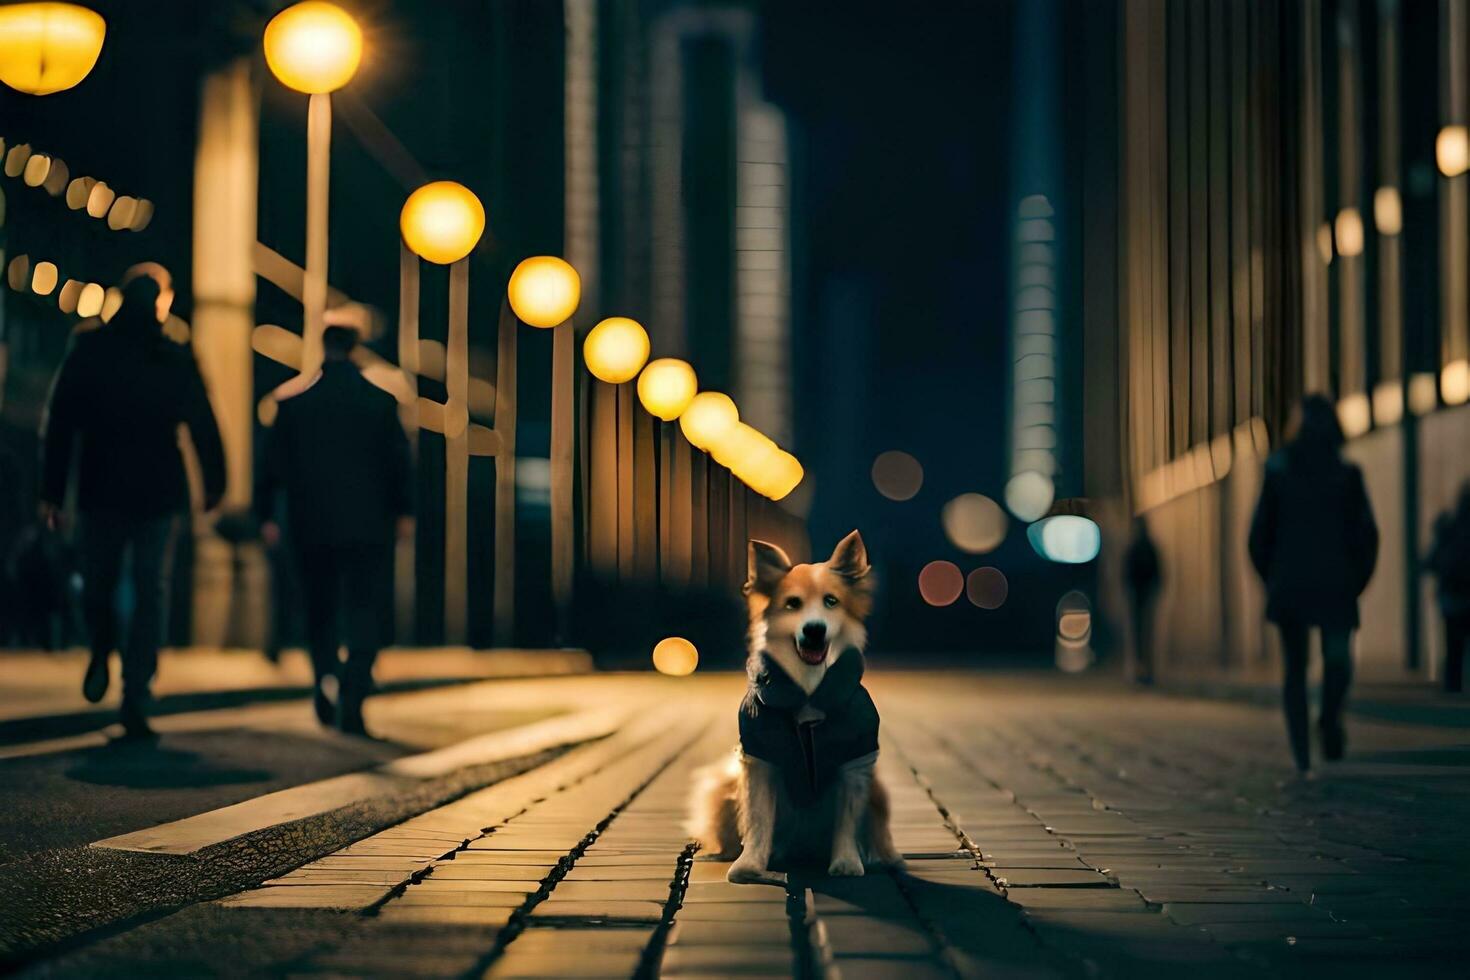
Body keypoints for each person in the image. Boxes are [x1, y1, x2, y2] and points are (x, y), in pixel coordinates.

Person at [40, 264, 225, 738]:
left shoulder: (90, 348)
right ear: (161, 301)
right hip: (159, 493)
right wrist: (215, 484)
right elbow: (203, 423)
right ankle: (136, 693)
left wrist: (53, 492)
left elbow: (60, 422)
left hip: (101, 487)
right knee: (151, 592)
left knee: (97, 583)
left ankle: (102, 647)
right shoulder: (175, 355)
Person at [255, 326, 412, 735]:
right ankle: (354, 692)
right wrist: (403, 513)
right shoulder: (379, 403)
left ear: (323, 347)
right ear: (355, 349)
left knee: (319, 609)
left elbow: (271, 467)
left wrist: (266, 515)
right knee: (364, 609)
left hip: (311, 524)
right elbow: (400, 465)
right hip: (367, 526)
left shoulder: (294, 404)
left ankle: (325, 676)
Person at [1248, 394, 1378, 772]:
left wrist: (1272, 577)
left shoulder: (1280, 472)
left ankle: (1304, 751)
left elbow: (1259, 538)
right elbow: (1366, 537)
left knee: (1296, 670)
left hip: (1293, 586)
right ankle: (1327, 723)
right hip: (1335, 586)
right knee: (1336, 663)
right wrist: (1356, 581)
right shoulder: (1346, 475)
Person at [1427, 484, 1470, 693]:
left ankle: (1453, 684)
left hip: (1452, 598)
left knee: (1454, 644)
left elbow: (1432, 561)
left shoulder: (1448, 527)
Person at [1123, 516, 1162, 685]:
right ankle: (1142, 668)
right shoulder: (1143, 547)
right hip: (1140, 596)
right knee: (1142, 635)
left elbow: (1157, 572)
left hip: (1142, 596)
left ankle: (1145, 669)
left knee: (1143, 635)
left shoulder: (1142, 547)